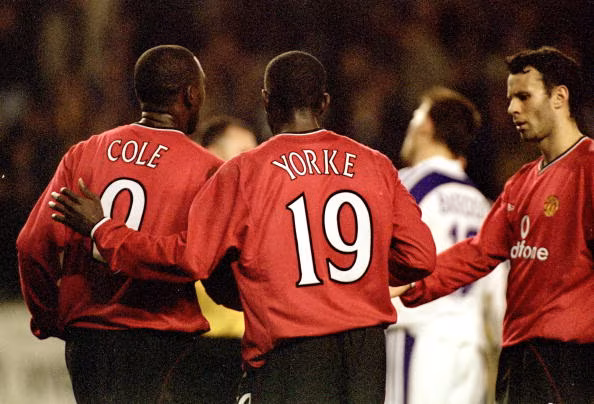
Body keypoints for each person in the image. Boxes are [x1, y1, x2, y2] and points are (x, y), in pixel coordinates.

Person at [49, 50, 437, 403]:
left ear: (266, 100)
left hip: (291, 354)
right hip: (367, 355)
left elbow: (190, 259)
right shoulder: (375, 164)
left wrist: (104, 230)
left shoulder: (245, 172)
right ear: (324, 103)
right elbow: (420, 256)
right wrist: (357, 283)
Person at [17, 44, 225, 403]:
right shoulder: (206, 169)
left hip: (89, 341)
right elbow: (196, 258)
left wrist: (50, 317)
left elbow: (32, 245)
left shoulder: (86, 152)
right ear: (191, 94)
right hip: (162, 338)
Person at [391, 46, 593, 404]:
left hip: (568, 358)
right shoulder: (521, 183)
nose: (512, 108)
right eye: (510, 98)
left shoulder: (588, 171)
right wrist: (410, 283)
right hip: (519, 357)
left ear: (559, 97)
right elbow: (479, 252)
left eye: (524, 96)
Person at [385, 87, 507, 404]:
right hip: (469, 349)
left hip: (419, 337)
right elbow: (498, 290)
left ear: (426, 124)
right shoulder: (483, 204)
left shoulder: (406, 186)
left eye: (415, 117)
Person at [172, 116, 258, 404]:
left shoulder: (257, 207)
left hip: (248, 349)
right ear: (210, 154)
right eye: (243, 152)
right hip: (198, 350)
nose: (253, 161)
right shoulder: (186, 207)